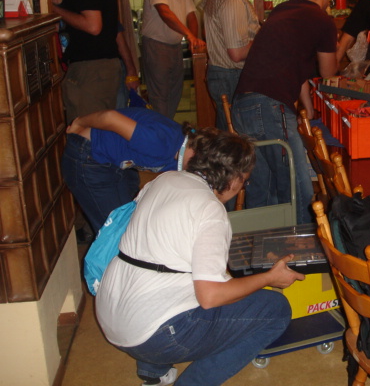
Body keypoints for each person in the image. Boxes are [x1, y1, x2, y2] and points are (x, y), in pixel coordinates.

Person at [96, 131, 304, 386]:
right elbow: (211, 297)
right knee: (275, 309)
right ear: (234, 179)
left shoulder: (164, 179)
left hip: (110, 314)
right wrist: (269, 278)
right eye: (245, 181)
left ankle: (153, 372)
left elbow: (171, 243)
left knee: (161, 276)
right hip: (155, 336)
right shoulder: (210, 210)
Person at [232, 0, 339, 224]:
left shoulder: (282, 11)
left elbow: (294, 65)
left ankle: (264, 245)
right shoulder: (322, 20)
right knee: (297, 190)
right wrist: (341, 43)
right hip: (269, 106)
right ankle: (302, 248)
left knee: (264, 191)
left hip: (243, 105)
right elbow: (328, 72)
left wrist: (308, 109)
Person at [62, 108, 195, 235]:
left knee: (128, 222)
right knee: (116, 232)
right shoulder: (159, 143)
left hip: (112, 161)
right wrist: (79, 123)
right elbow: (109, 117)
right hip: (88, 155)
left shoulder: (186, 151)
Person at [46, 0, 122, 124]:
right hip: (99, 68)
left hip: (92, 70)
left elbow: (93, 26)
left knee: (87, 134)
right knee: (95, 132)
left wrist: (56, 10)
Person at [203, 0, 263, 131]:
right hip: (232, 77)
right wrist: (267, 39)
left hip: (223, 75)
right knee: (240, 138)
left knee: (228, 138)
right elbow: (237, 53)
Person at [141, 0, 206, 119]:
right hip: (156, 46)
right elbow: (165, 13)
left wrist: (194, 39)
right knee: (160, 94)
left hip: (174, 46)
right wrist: (189, 35)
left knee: (175, 91)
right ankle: (162, 130)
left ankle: (168, 126)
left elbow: (191, 16)